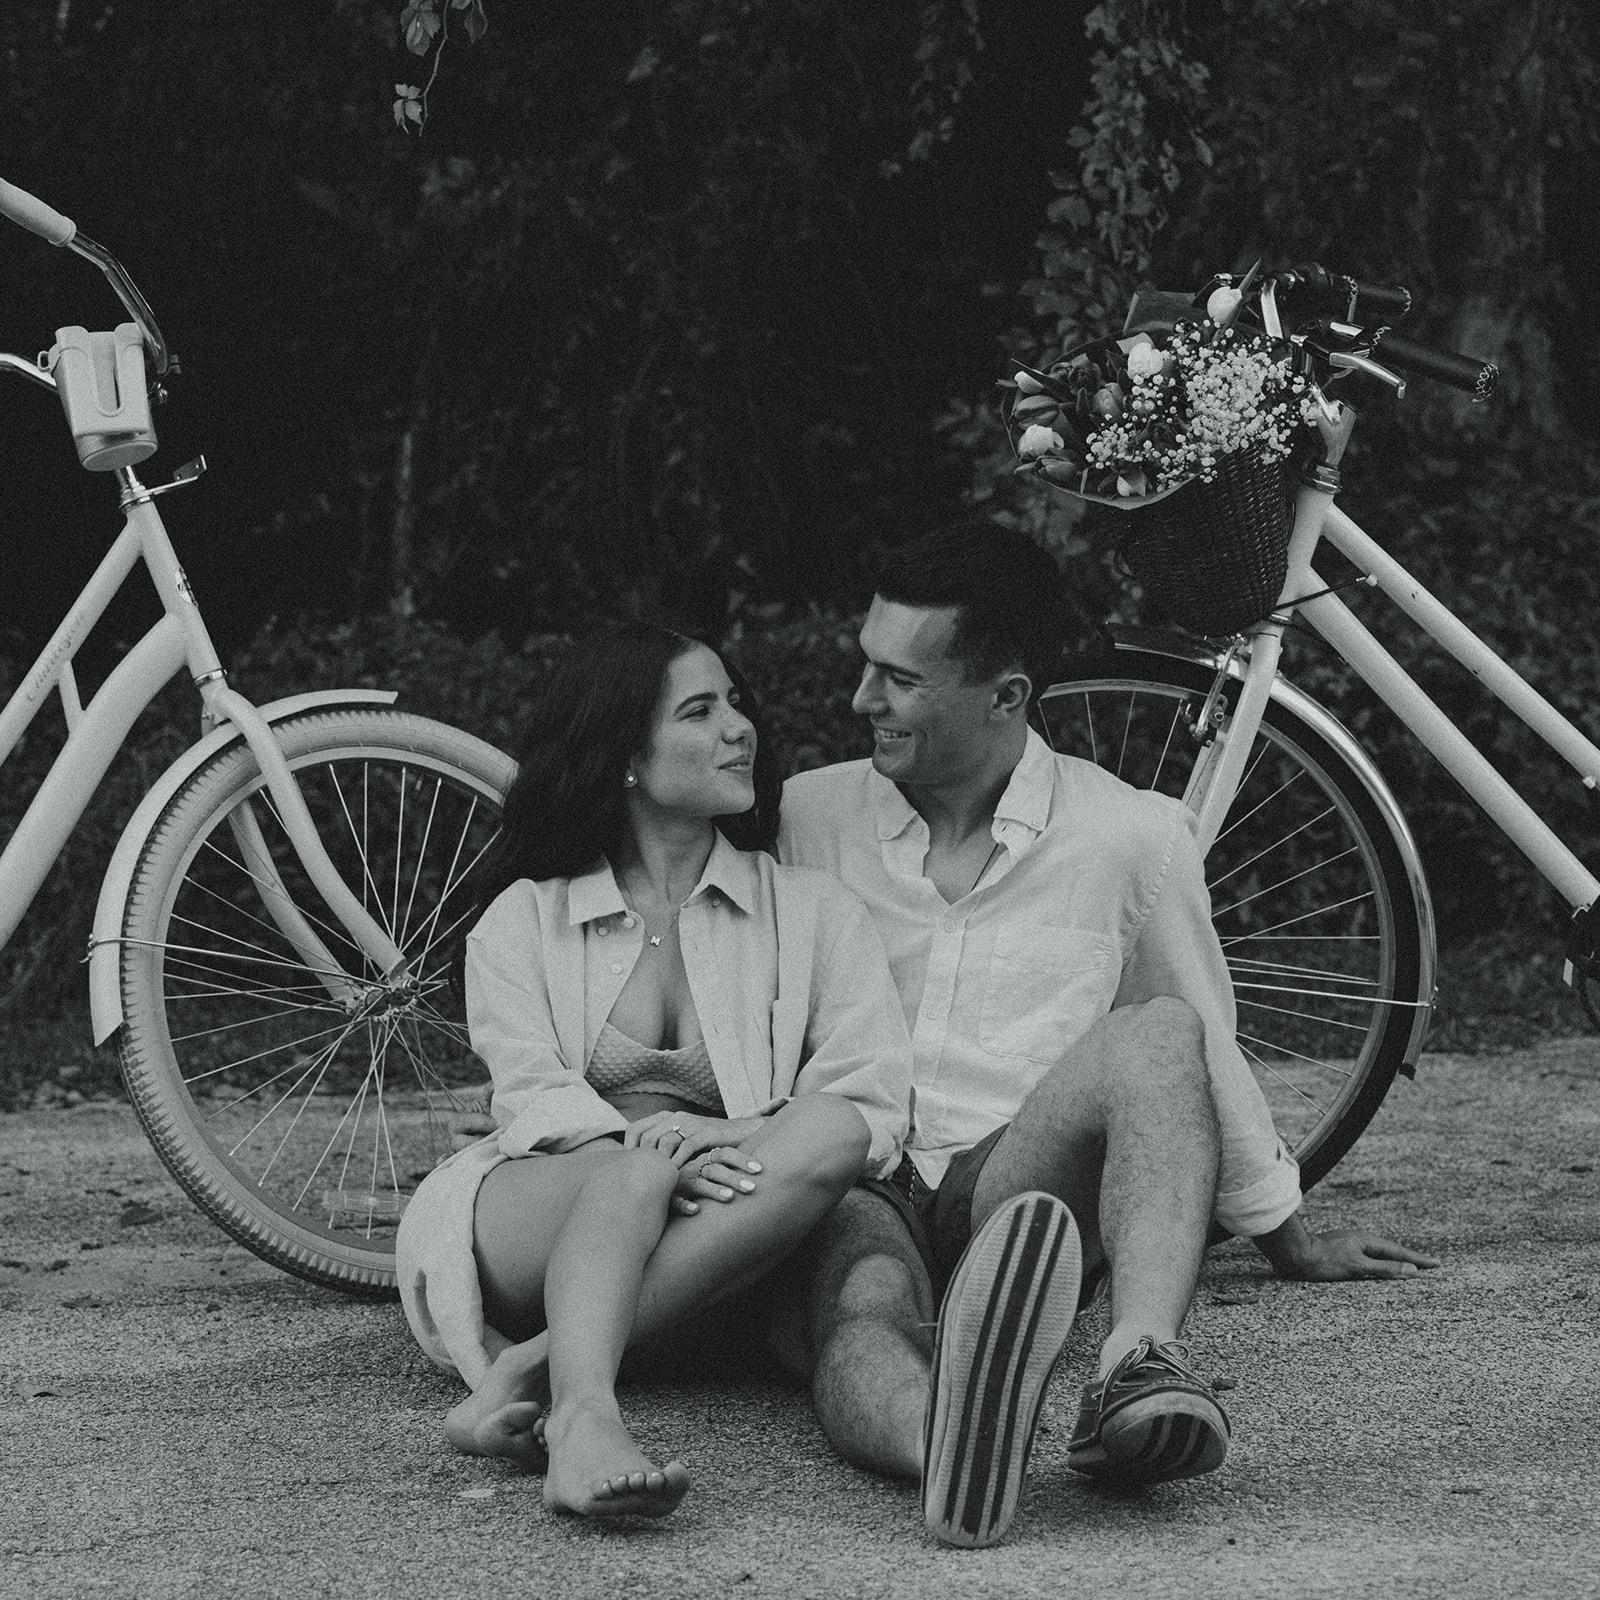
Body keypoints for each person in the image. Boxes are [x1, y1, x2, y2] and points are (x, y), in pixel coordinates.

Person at [768, 521, 1439, 1546]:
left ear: (1006, 695)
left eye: (898, 681)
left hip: (1014, 1177)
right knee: (863, 1299)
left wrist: (1285, 1231)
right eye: (867, 669)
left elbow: (1203, 1036)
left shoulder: (1127, 832)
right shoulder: (808, 815)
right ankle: (953, 1445)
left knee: (1158, 1032)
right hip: (856, 1166)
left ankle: (1134, 1367)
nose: (862, 701)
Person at [397, 623, 912, 1523]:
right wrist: (652, 1154)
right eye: (700, 711)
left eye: (738, 704)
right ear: (625, 757)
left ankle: (529, 1368)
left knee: (835, 1128)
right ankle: (586, 1418)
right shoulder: (526, 917)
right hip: (537, 1215)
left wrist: (735, 1133)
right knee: (634, 1172)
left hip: (724, 1231)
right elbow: (529, 1094)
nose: (739, 728)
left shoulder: (812, 910)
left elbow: (874, 1096)